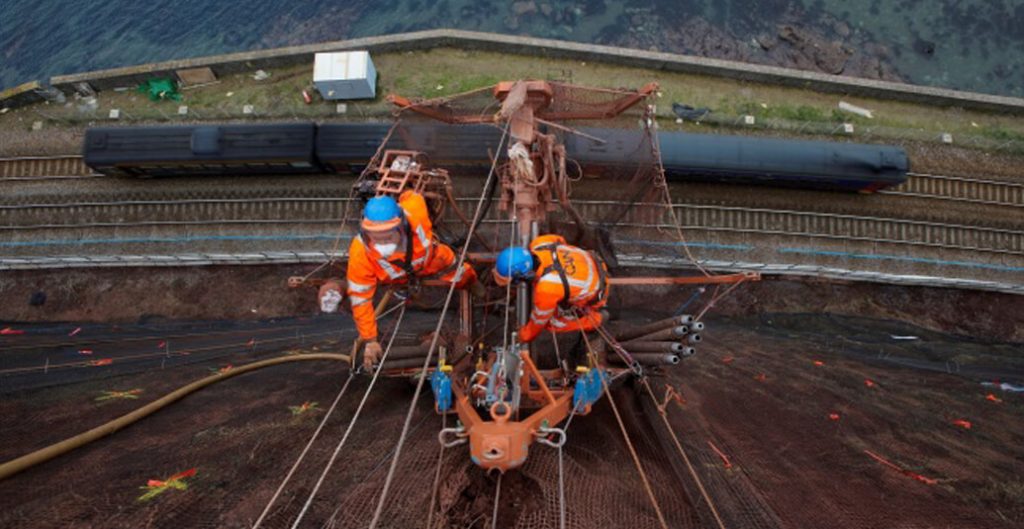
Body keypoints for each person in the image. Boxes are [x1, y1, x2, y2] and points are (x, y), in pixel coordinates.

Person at [347, 191, 482, 369]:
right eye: (375, 237)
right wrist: (370, 340)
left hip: (433, 261)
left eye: (388, 236)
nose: (382, 243)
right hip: (394, 279)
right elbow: (360, 299)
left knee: (459, 273)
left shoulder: (415, 212)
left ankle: (473, 283)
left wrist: (404, 189)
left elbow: (412, 195)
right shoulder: (360, 253)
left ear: (402, 226)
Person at [493, 234, 609, 343]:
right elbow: (560, 240)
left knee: (552, 323)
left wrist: (523, 336)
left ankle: (595, 321)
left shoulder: (546, 288)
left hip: (599, 288)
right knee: (558, 293)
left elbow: (538, 322)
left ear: (523, 276)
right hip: (594, 261)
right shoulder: (539, 243)